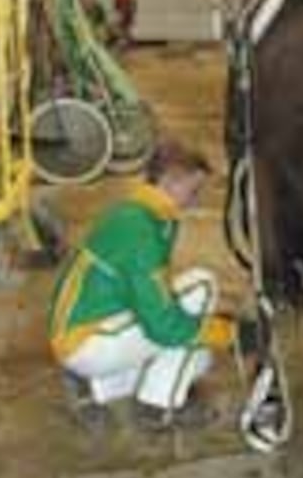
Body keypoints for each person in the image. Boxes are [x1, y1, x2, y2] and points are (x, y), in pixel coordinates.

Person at [49, 139, 236, 426]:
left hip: (82, 330)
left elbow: (153, 293)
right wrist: (231, 333)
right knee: (202, 288)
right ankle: (158, 407)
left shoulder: (138, 211)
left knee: (199, 360)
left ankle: (95, 387)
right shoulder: (140, 229)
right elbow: (163, 326)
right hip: (87, 337)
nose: (195, 200)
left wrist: (207, 328)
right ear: (171, 182)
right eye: (193, 190)